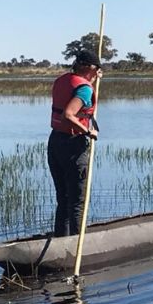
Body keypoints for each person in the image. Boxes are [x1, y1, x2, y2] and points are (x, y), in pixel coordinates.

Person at [47, 50, 102, 237]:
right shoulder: (84, 88)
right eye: (96, 68)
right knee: (78, 202)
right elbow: (68, 115)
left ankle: (62, 241)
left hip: (55, 141)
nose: (97, 72)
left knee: (63, 199)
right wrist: (89, 132)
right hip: (73, 145)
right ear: (88, 67)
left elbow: (77, 93)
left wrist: (91, 82)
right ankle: (78, 246)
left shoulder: (62, 80)